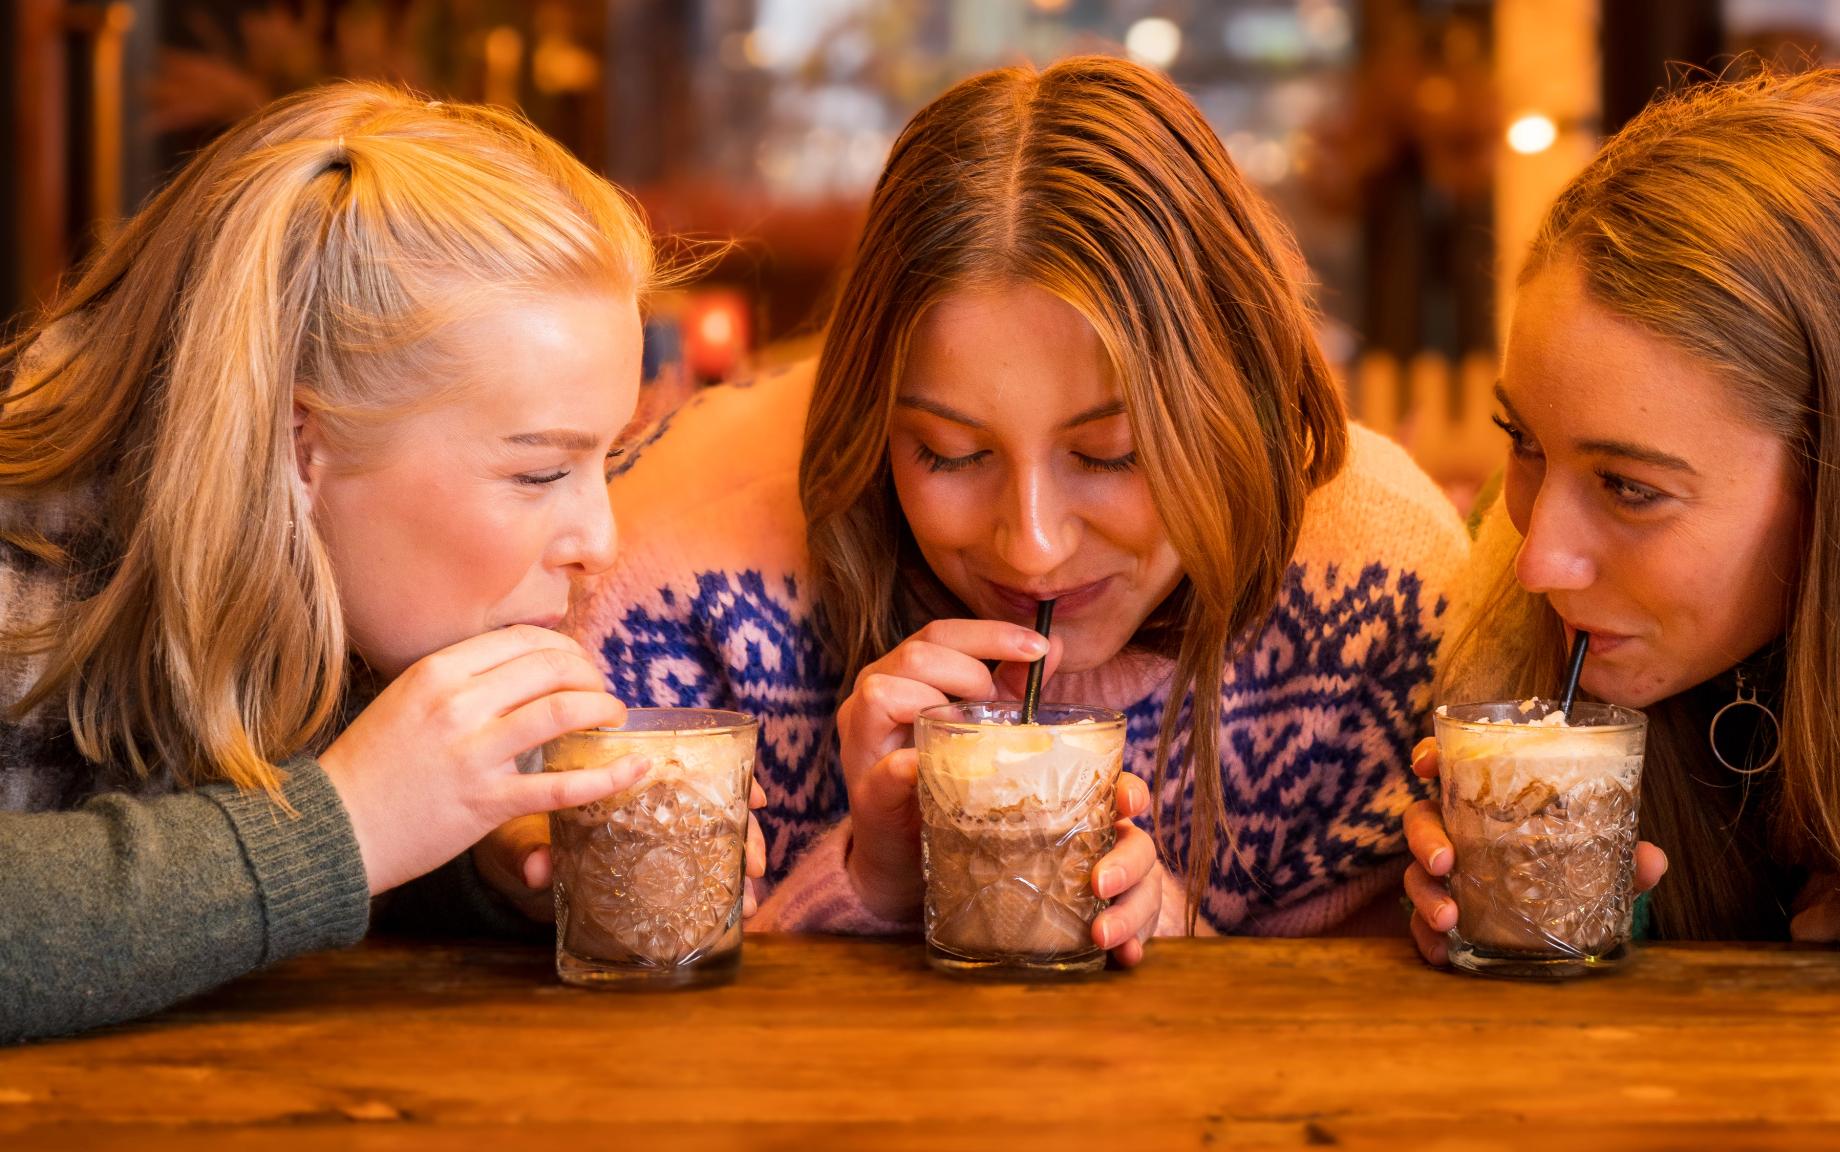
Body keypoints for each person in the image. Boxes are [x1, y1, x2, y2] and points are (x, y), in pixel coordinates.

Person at [573, 56, 1468, 948]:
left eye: (1110, 455)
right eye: (951, 454)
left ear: (1236, 401)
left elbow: (1383, 1032)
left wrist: (1173, 938)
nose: (1032, 547)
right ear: (870, 412)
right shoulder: (673, 591)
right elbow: (615, 1030)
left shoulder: (1383, 591)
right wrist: (874, 885)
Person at [0, 82, 743, 1041]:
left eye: (603, 460)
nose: (598, 542)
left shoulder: (335, 587)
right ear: (301, 446)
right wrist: (342, 827)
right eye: (538, 472)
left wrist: (480, 864)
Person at [1403, 67, 1840, 968]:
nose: (1536, 559)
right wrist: (1551, 908)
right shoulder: (1498, 583)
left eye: (1631, 488)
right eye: (1525, 440)